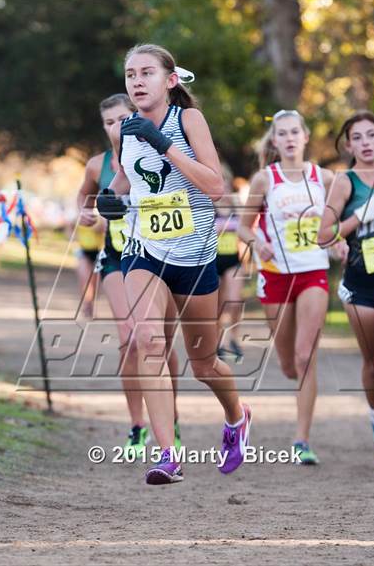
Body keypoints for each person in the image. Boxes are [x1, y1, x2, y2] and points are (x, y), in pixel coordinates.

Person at [97, 43, 251, 485]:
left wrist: (164, 144)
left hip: (195, 256)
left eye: (146, 72)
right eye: (130, 74)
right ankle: (168, 455)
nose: (137, 81)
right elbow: (125, 181)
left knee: (204, 364)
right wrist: (112, 199)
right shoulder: (126, 130)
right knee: (149, 342)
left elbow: (215, 185)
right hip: (144, 251)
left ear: (170, 80)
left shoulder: (188, 120)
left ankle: (237, 417)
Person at [77, 93, 181, 457]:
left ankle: (171, 420)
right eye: (108, 122)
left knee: (159, 343)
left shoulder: (153, 150)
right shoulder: (98, 164)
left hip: (160, 256)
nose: (115, 127)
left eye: (122, 119)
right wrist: (86, 213)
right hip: (118, 258)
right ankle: (138, 425)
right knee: (130, 339)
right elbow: (83, 199)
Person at [239, 109, 336, 464]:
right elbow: (242, 226)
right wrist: (256, 243)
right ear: (275, 141)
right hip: (275, 276)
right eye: (283, 133)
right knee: (287, 362)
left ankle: (302, 440)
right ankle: (296, 382)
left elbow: (338, 220)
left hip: (313, 273)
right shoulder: (265, 180)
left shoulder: (324, 178)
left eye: (296, 131)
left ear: (306, 136)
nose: (290, 138)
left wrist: (337, 239)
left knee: (304, 355)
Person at [318, 110, 374, 466]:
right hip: (361, 283)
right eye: (357, 138)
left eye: (371, 135)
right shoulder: (345, 182)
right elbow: (323, 235)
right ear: (348, 145)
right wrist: (360, 217)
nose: (366, 143)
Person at [215, 164, 245, 360]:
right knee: (217, 306)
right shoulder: (207, 205)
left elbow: (246, 227)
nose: (223, 187)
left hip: (233, 260)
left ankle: (233, 338)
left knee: (234, 302)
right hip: (212, 261)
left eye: (225, 182)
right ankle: (217, 341)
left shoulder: (236, 204)